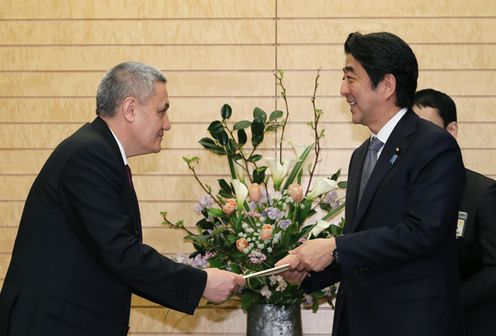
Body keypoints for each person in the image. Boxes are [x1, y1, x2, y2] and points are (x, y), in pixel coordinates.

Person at [0, 62, 245, 336]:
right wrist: (200, 283)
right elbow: (119, 252)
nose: (167, 124)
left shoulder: (100, 152)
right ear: (129, 109)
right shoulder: (88, 155)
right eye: (161, 111)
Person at [276, 32, 466, 335]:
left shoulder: (434, 145)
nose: (342, 90)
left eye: (351, 78)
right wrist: (308, 271)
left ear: (387, 85)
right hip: (359, 321)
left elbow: (421, 233)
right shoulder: (362, 154)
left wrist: (335, 247)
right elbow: (364, 241)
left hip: (411, 324)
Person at [413, 88, 496, 336]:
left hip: (471, 322)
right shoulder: (403, 195)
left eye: (427, 130)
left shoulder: (483, 192)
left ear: (451, 131)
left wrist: (446, 299)